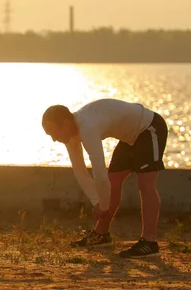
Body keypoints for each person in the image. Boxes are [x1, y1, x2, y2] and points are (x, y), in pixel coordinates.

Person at [42, 98, 168, 258]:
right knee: (113, 181)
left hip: (149, 128)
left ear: (66, 124)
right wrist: (98, 201)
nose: (53, 139)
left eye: (53, 132)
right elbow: (80, 171)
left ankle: (149, 242)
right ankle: (101, 235)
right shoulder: (71, 135)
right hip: (129, 138)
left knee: (145, 184)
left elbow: (99, 173)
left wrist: (103, 206)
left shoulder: (87, 128)